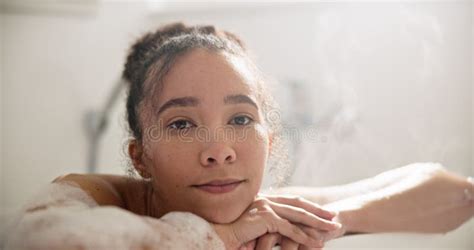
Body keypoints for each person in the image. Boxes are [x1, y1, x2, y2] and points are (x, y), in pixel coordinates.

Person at [4, 22, 474, 250]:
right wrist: (223, 237)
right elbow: (42, 239)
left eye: (241, 119)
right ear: (140, 155)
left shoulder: (256, 206)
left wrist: (310, 223)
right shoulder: (97, 197)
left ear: (269, 141)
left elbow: (455, 195)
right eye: (182, 124)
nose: (220, 150)